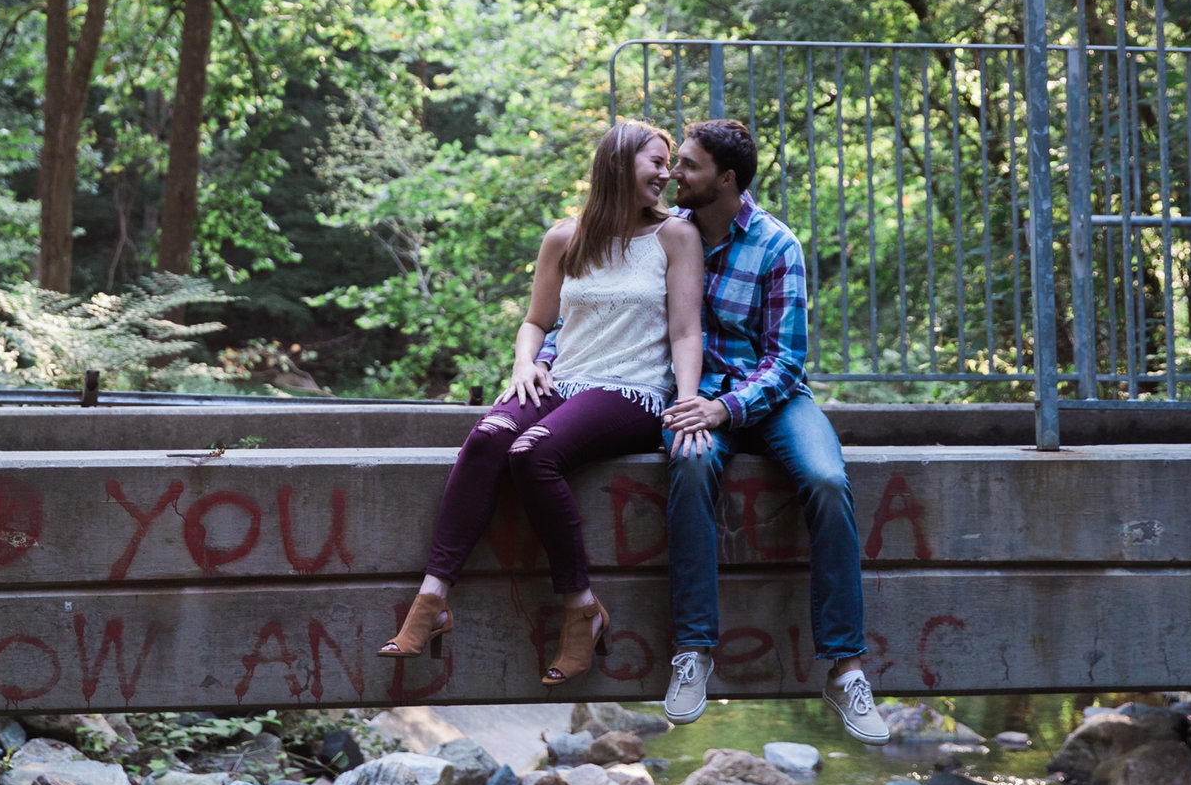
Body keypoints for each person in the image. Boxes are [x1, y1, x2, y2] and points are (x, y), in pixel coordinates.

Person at [380, 119, 706, 684]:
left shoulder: (676, 236)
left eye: (670, 163)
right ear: (618, 164)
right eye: (656, 161)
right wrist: (525, 363)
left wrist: (684, 403)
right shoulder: (565, 237)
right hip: (563, 381)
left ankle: (581, 608)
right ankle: (433, 600)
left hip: (635, 391)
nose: (666, 174)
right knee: (486, 436)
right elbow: (536, 322)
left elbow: (684, 332)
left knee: (532, 452)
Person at [658, 117, 888, 743]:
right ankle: (693, 652)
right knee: (690, 461)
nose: (675, 173)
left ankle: (844, 668)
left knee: (826, 477)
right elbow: (606, 309)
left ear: (726, 180)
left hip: (770, 399)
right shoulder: (664, 237)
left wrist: (728, 409)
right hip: (695, 395)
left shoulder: (776, 244)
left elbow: (786, 363)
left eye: (689, 165)